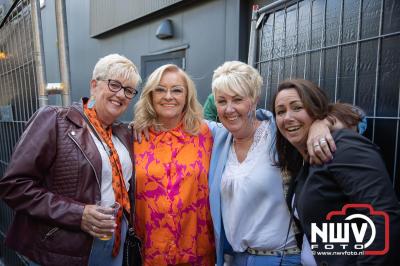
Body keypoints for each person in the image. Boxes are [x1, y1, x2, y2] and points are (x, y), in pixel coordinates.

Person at [0, 54, 141, 266]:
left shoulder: (124, 133)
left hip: (113, 242)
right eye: (114, 85)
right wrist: (79, 214)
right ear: (94, 85)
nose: (121, 94)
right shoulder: (56, 120)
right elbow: (15, 186)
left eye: (128, 90)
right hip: (63, 248)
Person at [207, 61, 338, 266]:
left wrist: (322, 124)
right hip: (235, 259)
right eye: (222, 101)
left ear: (254, 100)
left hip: (283, 258)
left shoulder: (279, 133)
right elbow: (177, 118)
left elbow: (359, 118)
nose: (229, 108)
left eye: (238, 99)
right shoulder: (218, 138)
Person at [272, 79, 400, 265]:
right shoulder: (303, 157)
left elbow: (384, 216)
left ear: (317, 110)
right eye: (280, 112)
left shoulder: (342, 146)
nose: (288, 117)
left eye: (297, 107)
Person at [133, 64, 215, 265]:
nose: (168, 96)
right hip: (149, 254)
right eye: (160, 89)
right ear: (150, 95)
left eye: (177, 90)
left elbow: (246, 128)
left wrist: (307, 129)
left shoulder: (207, 134)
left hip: (197, 253)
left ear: (187, 96)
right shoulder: (133, 137)